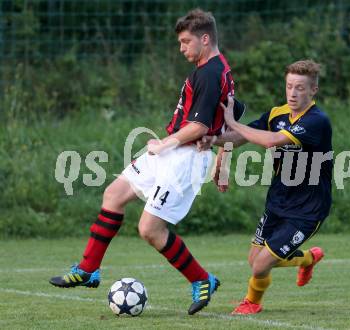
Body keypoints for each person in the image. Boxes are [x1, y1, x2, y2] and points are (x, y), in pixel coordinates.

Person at [49, 8, 244, 315]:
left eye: (185, 41)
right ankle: (88, 269)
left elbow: (202, 127)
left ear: (204, 39)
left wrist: (165, 143)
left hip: (184, 159)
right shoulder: (219, 70)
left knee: (150, 230)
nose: (181, 48)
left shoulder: (209, 73)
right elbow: (234, 114)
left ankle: (203, 278)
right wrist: (224, 157)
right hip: (173, 153)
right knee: (114, 195)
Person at [198, 60, 332, 315]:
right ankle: (308, 258)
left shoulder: (317, 121)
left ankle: (252, 302)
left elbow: (272, 140)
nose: (293, 93)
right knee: (254, 260)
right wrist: (213, 139)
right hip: (279, 200)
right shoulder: (276, 114)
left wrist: (233, 122)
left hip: (308, 209)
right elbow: (240, 138)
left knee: (260, 266)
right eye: (289, 86)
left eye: (300, 88)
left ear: (313, 90)